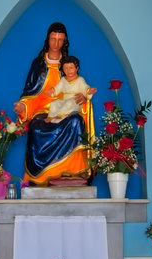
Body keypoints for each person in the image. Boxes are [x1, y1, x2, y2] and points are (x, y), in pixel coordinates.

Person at [15, 22, 94, 184]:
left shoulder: (68, 66)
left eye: (60, 40)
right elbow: (30, 94)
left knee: (76, 121)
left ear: (65, 42)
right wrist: (24, 106)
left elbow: (79, 87)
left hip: (65, 111)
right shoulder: (38, 65)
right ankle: (41, 176)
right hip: (42, 112)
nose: (56, 43)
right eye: (53, 39)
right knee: (36, 128)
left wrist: (83, 98)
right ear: (48, 39)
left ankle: (73, 172)